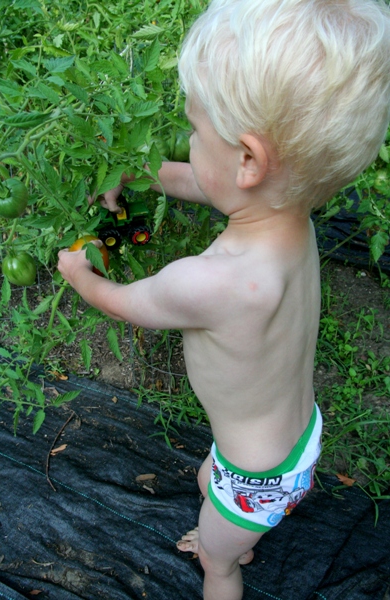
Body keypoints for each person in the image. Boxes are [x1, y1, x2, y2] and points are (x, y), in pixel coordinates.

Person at [58, 1, 390, 598]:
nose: (189, 141)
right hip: (293, 439)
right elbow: (206, 182)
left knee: (217, 556)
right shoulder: (290, 214)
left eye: (194, 129)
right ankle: (239, 530)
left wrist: (80, 274)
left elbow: (123, 303)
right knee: (211, 482)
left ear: (248, 160)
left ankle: (227, 560)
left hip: (255, 476)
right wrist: (137, 174)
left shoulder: (209, 283)